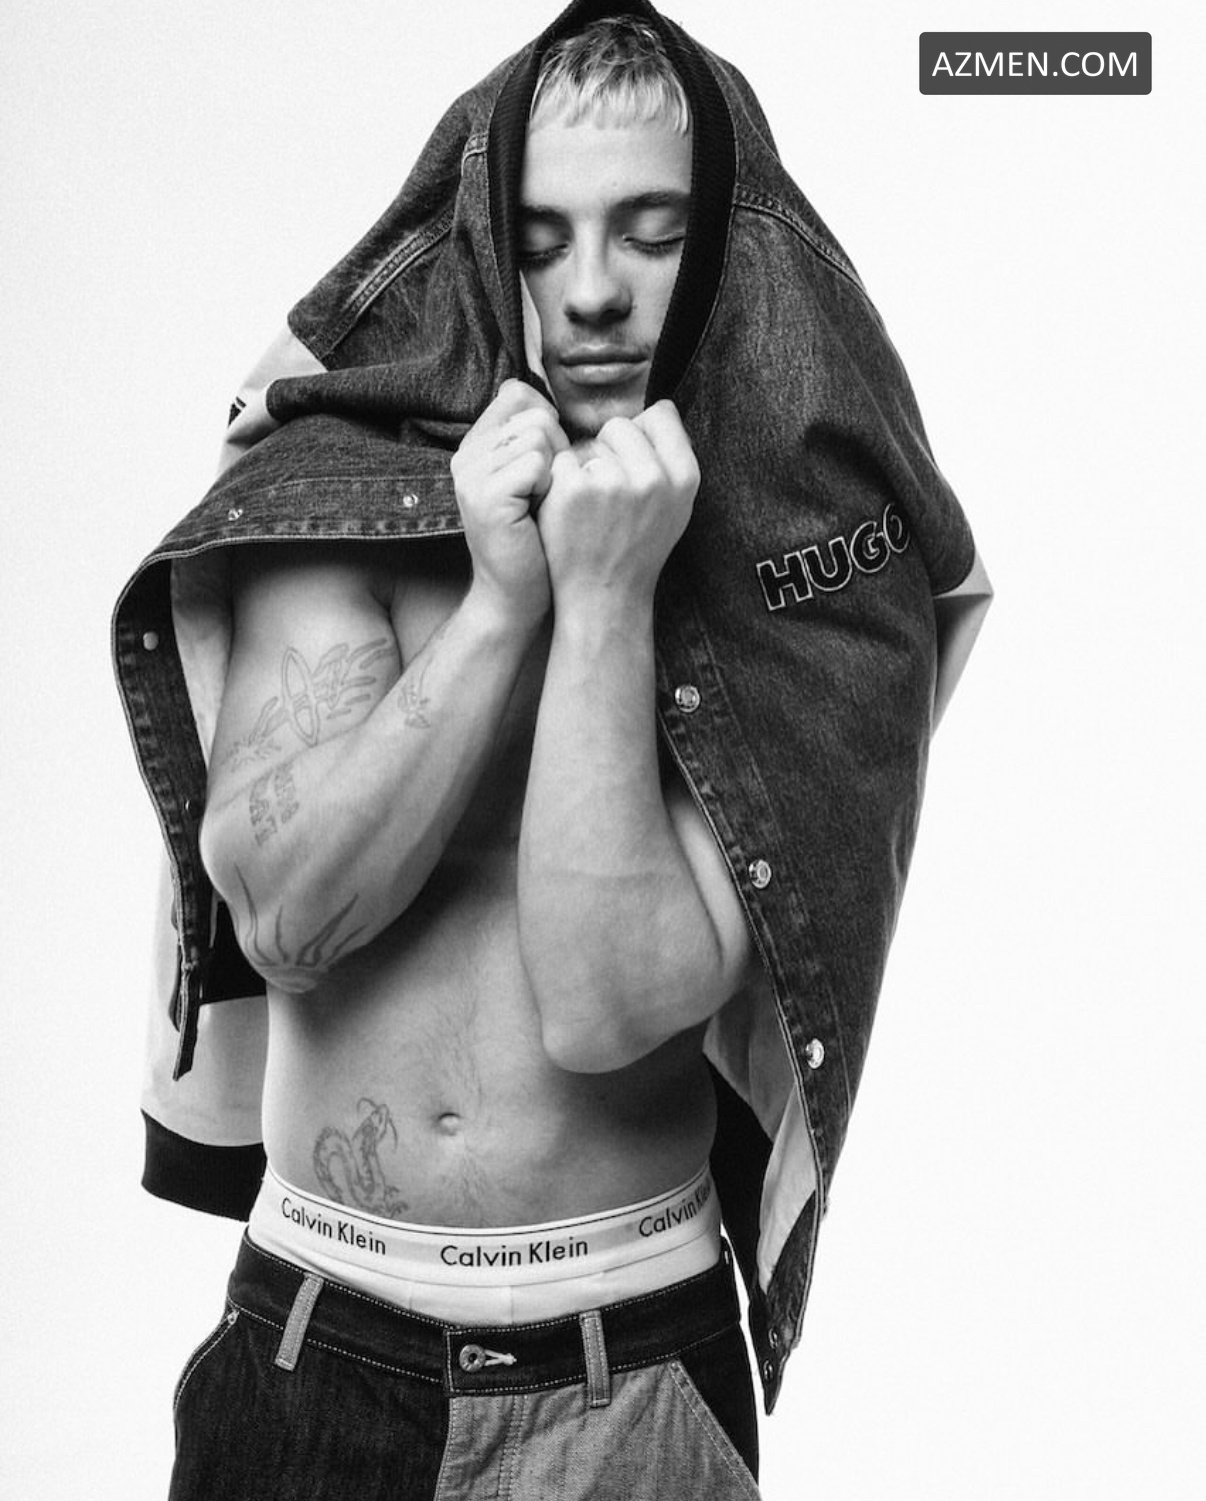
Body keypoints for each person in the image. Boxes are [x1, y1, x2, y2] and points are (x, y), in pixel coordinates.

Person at [112, 5, 990, 1498]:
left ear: (727, 247)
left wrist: (605, 596)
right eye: (539, 242)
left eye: (652, 234)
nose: (590, 293)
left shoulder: (815, 575)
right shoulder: (332, 485)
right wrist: (498, 601)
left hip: (628, 1383)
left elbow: (606, 1002)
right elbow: (285, 920)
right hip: (313, 1352)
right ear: (477, 247)